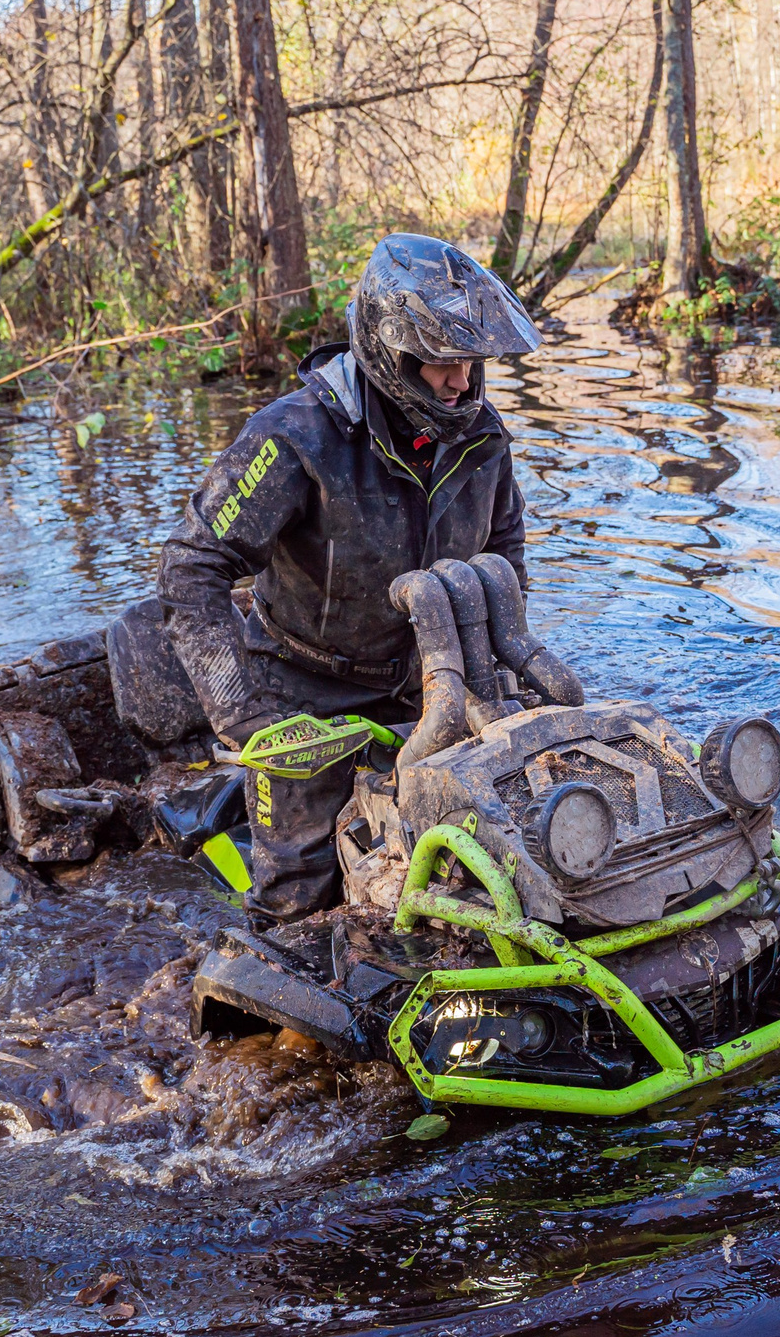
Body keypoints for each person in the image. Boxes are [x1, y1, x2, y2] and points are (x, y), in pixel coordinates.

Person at [104, 233, 541, 922]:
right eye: (442, 364)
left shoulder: (481, 436)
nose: (463, 381)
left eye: (472, 361)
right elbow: (191, 564)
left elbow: (507, 553)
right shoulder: (297, 435)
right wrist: (244, 713)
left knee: (500, 864)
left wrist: (504, 669)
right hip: (303, 693)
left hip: (435, 680)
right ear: (392, 353)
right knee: (298, 906)